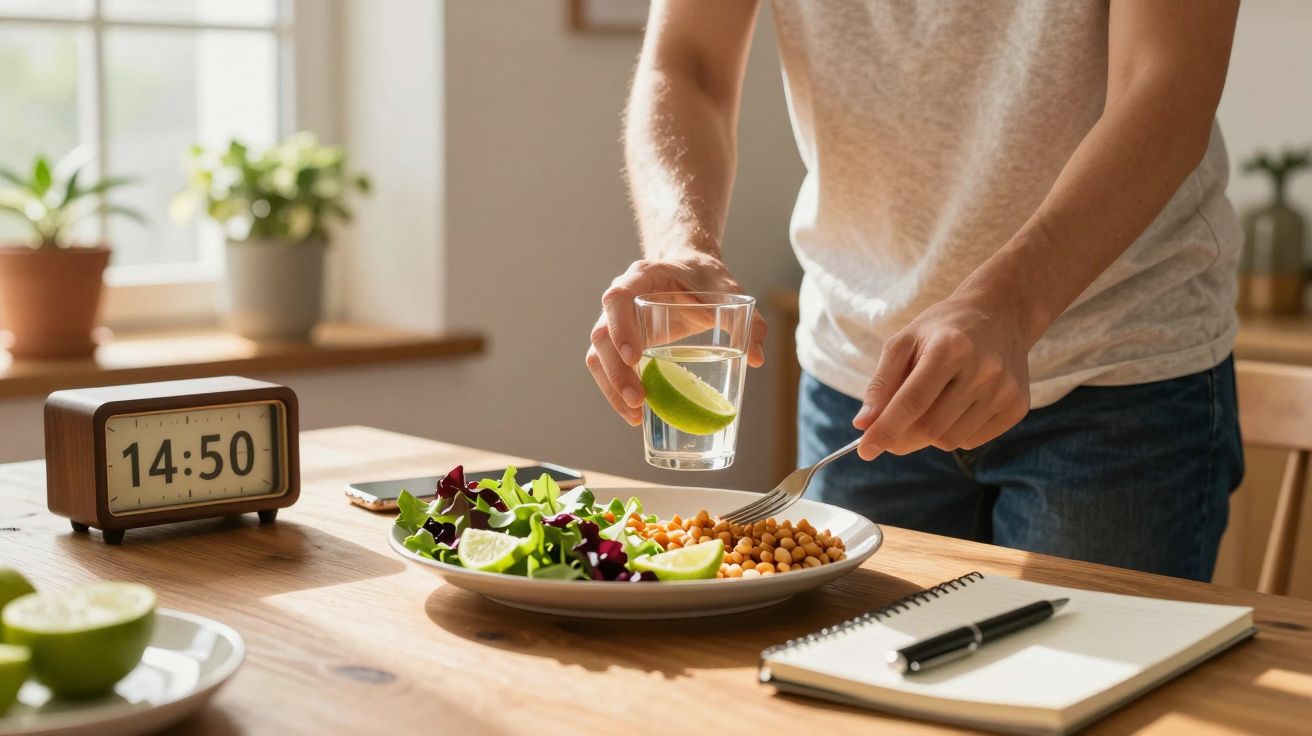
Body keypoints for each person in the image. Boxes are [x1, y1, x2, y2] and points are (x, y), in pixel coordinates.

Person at [585, 0, 1243, 582]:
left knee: (1080, 709)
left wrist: (1011, 304)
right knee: (844, 705)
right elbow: (689, 61)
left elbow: (1168, 84)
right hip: (862, 381)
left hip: (1117, 379)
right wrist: (683, 243)